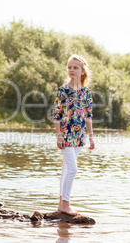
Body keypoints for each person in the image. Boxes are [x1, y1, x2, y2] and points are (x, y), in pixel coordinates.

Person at [51, 54, 95, 216]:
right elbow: (56, 115)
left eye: (75, 67)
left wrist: (90, 137)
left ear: (83, 71)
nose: (71, 70)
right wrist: (58, 135)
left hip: (79, 136)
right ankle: (66, 204)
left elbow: (88, 116)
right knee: (73, 169)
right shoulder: (63, 91)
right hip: (66, 134)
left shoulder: (86, 92)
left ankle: (61, 202)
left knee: (66, 168)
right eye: (69, 67)